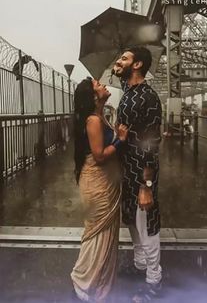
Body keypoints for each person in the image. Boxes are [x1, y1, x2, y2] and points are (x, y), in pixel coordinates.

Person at [71, 77, 128, 303]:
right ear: (94, 96)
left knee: (105, 233)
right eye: (98, 85)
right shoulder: (93, 120)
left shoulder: (101, 115)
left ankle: (99, 282)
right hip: (97, 183)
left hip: (105, 183)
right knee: (98, 233)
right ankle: (87, 282)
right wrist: (121, 140)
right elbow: (100, 156)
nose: (104, 86)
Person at [113, 46, 162, 301]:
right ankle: (140, 264)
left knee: (147, 225)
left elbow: (152, 143)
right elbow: (128, 131)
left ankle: (154, 279)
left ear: (138, 65)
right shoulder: (128, 93)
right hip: (126, 170)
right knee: (131, 218)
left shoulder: (148, 97)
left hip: (141, 173)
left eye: (124, 57)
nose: (118, 61)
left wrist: (146, 184)